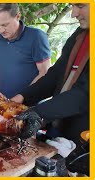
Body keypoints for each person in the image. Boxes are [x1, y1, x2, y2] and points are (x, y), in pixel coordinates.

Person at [12, 3, 89, 147]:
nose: (73, 14)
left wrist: (39, 113)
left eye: (80, 6)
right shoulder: (79, 35)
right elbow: (55, 75)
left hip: (83, 135)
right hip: (58, 124)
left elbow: (86, 93)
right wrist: (23, 96)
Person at [0, 3, 51, 99]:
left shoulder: (36, 37)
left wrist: (22, 96)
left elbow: (44, 72)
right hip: (2, 101)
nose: (1, 30)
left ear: (18, 16)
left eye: (5, 25)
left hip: (29, 102)